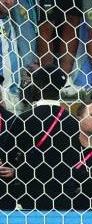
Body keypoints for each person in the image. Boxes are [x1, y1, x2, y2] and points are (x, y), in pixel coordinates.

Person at [1, 66, 80, 210]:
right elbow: (75, 158)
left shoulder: (25, 119)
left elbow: (9, 157)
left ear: (39, 85)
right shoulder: (73, 121)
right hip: (65, 194)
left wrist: (17, 171)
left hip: (32, 193)